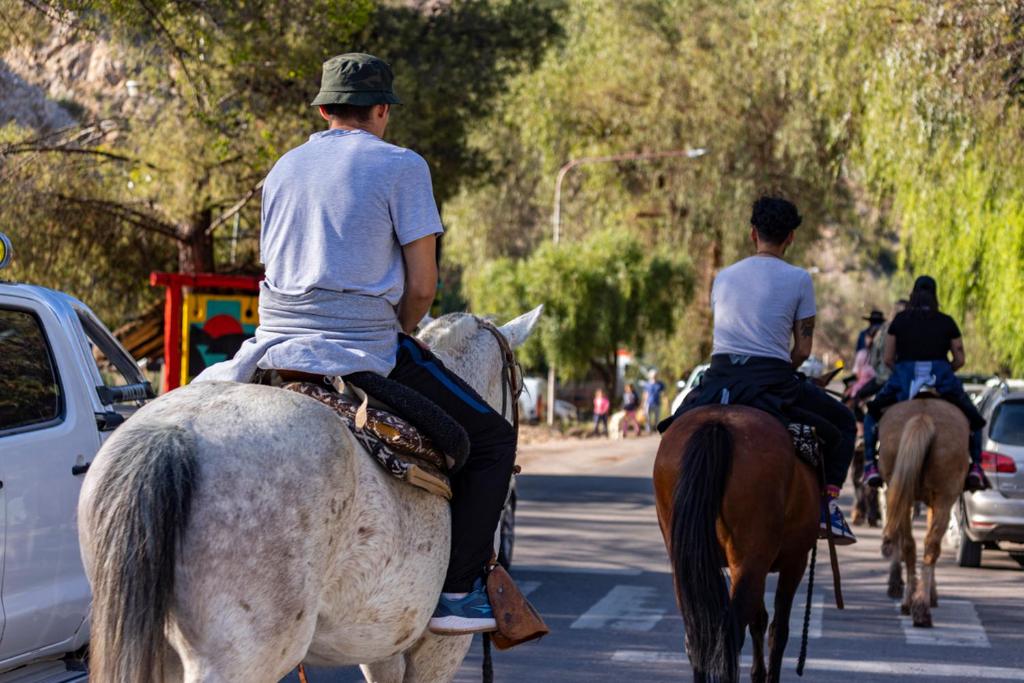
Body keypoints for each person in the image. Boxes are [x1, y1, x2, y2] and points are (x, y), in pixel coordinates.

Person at [194, 53, 513, 634]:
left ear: (323, 110)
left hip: (272, 345)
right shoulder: (402, 166)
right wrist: (404, 330)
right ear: (383, 110)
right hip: (360, 348)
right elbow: (422, 286)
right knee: (492, 440)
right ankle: (456, 592)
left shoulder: (283, 168)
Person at [660, 196, 857, 545]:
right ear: (790, 237)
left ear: (753, 233)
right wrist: (784, 369)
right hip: (772, 380)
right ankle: (826, 508)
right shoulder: (799, 279)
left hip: (719, 379)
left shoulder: (723, 278)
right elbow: (803, 350)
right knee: (842, 422)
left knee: (673, 428)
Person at [861, 277, 986, 491]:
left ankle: (870, 464)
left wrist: (902, 371)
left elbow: (888, 358)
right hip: (941, 375)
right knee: (975, 419)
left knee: (871, 414)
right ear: (935, 296)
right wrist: (945, 370)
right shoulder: (946, 321)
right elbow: (960, 359)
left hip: (905, 374)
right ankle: (976, 466)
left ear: (912, 295)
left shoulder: (899, 321)